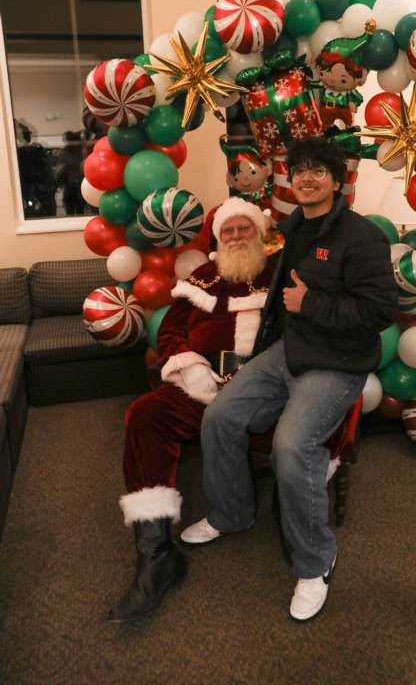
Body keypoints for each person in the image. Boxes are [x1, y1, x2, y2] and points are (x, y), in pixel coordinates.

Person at [181, 136, 398, 622]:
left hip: (337, 361)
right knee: (220, 414)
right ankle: (230, 514)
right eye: (299, 169)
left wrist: (311, 305)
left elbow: (382, 312)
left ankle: (316, 561)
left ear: (337, 180)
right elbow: (279, 293)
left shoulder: (363, 238)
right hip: (289, 351)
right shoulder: (294, 225)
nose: (306, 177)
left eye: (318, 170)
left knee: (291, 445)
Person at [109, 197, 278, 623]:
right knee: (144, 415)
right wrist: (189, 363)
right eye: (229, 231)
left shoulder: (280, 275)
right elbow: (169, 330)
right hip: (199, 389)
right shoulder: (204, 277)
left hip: (263, 394)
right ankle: (156, 550)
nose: (237, 236)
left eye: (245, 228)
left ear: (260, 233)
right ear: (217, 239)